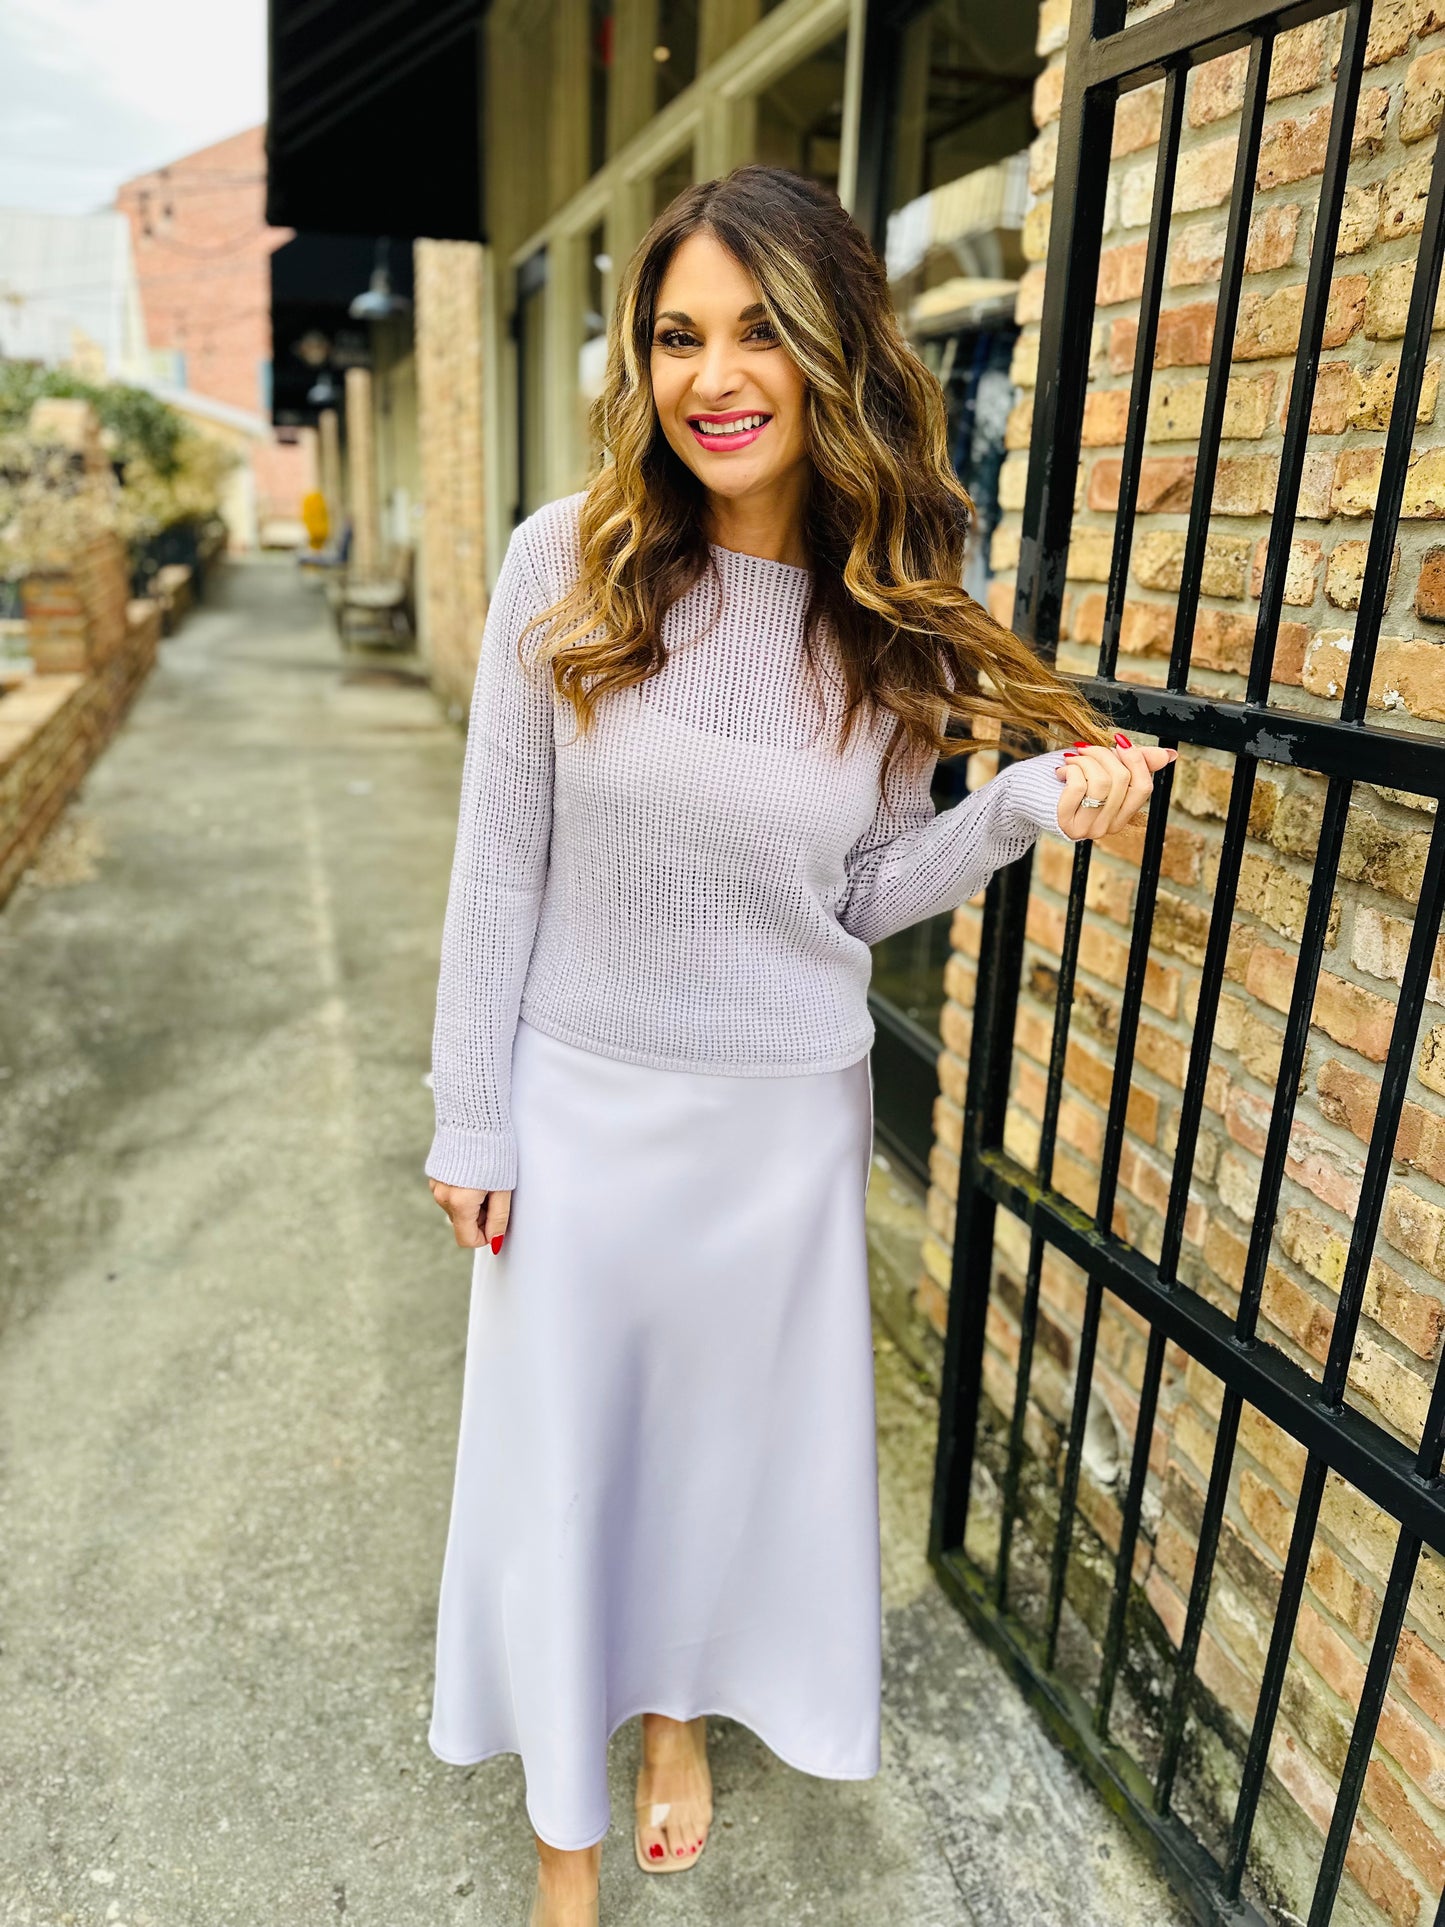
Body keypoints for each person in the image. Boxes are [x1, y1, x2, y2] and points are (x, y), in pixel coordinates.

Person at [423, 165, 1174, 1927]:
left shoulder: (888, 607)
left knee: (708, 1459)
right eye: (675, 336)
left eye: (758, 331)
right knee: (563, 1473)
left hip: (780, 1123)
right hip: (581, 1109)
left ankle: (676, 1718)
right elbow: (495, 864)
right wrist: (474, 1115)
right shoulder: (565, 561)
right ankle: (562, 1842)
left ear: (832, 346)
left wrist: (1016, 811)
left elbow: (856, 895)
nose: (713, 376)